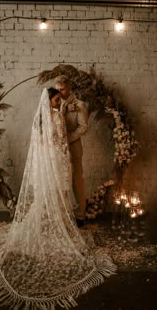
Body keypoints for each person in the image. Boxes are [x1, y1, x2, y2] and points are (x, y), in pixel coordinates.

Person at [0, 88, 116, 310]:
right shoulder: (55, 115)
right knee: (58, 193)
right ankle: (58, 223)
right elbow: (62, 140)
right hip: (58, 159)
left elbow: (43, 142)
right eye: (56, 99)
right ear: (51, 101)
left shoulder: (40, 118)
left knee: (48, 195)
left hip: (46, 161)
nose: (59, 101)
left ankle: (48, 222)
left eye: (59, 99)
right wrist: (65, 158)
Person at [55, 75, 88, 227]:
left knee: (76, 182)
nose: (60, 92)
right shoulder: (54, 103)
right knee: (62, 183)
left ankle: (81, 214)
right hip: (58, 151)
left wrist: (67, 138)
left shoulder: (79, 104)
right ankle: (65, 214)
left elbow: (84, 127)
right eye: (57, 89)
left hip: (73, 149)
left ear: (69, 87)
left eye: (62, 88)